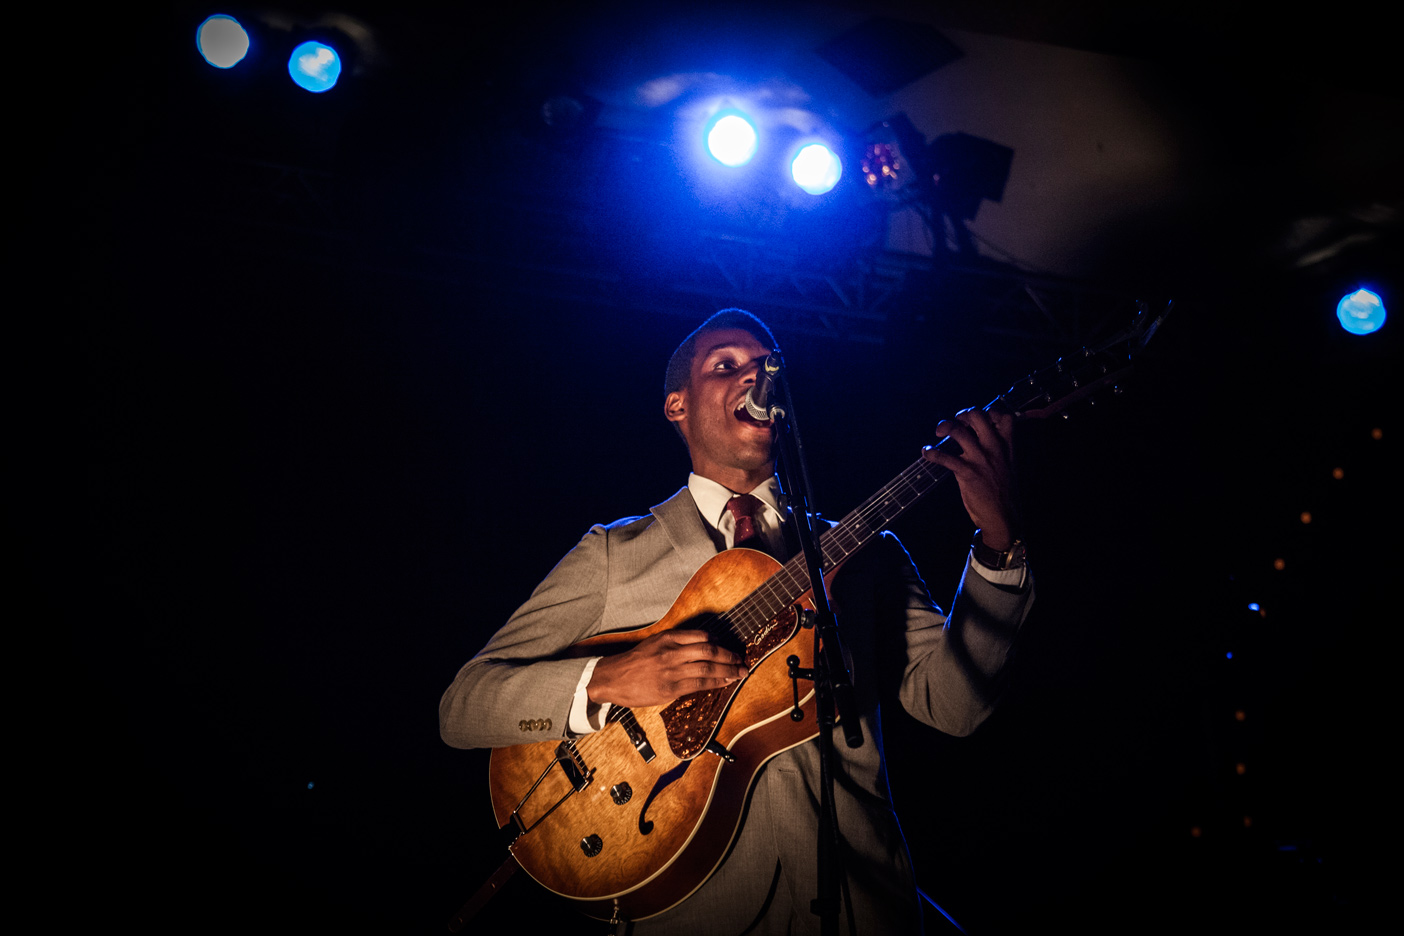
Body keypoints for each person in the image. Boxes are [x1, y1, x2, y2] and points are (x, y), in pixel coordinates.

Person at [440, 309, 1033, 934]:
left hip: (863, 908)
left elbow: (957, 705)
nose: (755, 378)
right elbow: (462, 707)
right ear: (677, 405)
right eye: (727, 366)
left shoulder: (861, 553)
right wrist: (610, 679)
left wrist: (1000, 542)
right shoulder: (614, 554)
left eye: (767, 368)